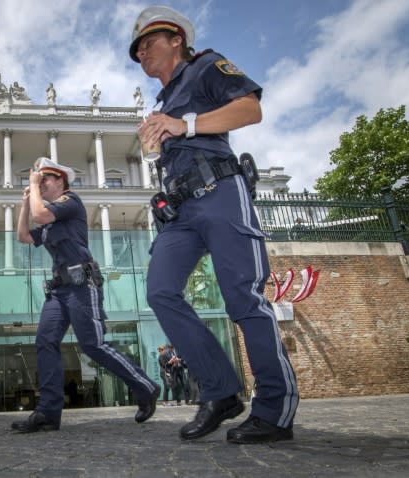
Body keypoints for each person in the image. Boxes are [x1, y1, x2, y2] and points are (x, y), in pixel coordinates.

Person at [130, 6, 299, 444]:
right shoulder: (161, 103)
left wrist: (182, 125)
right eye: (138, 48)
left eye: (150, 41)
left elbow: (249, 109)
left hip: (220, 192)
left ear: (176, 41)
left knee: (242, 297)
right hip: (181, 210)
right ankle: (221, 391)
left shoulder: (206, 65)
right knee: (161, 291)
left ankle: (275, 409)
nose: (142, 51)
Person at [11, 157, 160, 433]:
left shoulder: (70, 202)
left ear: (60, 181)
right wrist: (24, 203)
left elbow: (41, 214)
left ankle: (146, 387)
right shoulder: (48, 220)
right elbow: (23, 236)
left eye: (45, 180)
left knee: (94, 344)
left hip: (81, 284)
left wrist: (32, 187)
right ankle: (48, 412)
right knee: (45, 341)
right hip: (59, 290)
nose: (41, 184)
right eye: (39, 180)